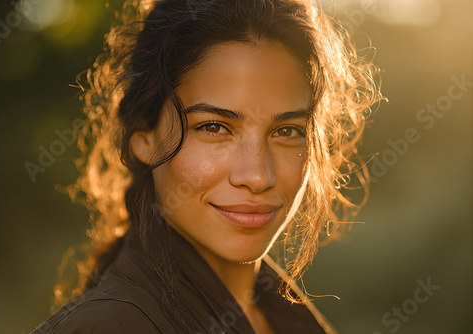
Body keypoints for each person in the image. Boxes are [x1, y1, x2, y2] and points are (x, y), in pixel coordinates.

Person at [31, 0, 381, 333]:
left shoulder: (283, 317)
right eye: (213, 127)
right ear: (144, 139)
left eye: (286, 131)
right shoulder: (107, 328)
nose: (258, 176)